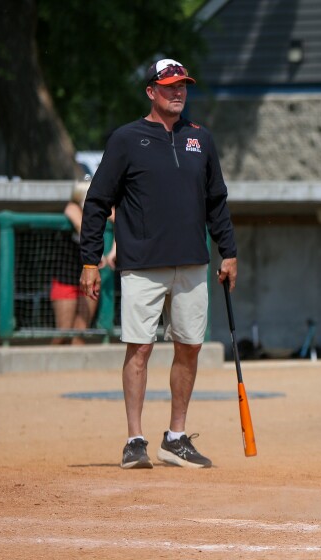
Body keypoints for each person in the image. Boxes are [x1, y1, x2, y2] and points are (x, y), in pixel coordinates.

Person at [80, 58, 238, 470]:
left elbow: (216, 201)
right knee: (140, 348)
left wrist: (229, 252)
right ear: (151, 91)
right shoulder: (126, 139)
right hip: (141, 264)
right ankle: (135, 440)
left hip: (191, 263)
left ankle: (176, 437)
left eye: (182, 85)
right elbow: (97, 202)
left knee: (189, 347)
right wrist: (90, 261)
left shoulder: (200, 139)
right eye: (169, 86)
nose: (178, 92)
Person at [50, 181, 114, 345]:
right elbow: (77, 220)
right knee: (63, 332)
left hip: (91, 279)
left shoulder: (103, 211)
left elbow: (124, 221)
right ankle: (51, 367)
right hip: (66, 278)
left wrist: (114, 251)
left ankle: (72, 370)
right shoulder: (72, 209)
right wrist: (95, 252)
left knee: (80, 332)